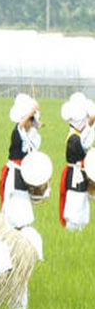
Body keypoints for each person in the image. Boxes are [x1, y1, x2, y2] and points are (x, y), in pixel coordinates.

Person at [0, 93, 41, 229]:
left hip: (23, 175)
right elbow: (21, 127)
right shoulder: (17, 132)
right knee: (15, 205)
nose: (31, 123)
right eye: (30, 120)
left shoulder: (28, 135)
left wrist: (35, 119)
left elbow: (33, 145)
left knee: (23, 204)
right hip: (15, 175)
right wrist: (31, 112)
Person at [59, 92, 95, 230]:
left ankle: (78, 230)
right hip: (75, 175)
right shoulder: (73, 138)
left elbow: (87, 140)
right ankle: (72, 230)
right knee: (75, 203)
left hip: (79, 174)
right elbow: (84, 143)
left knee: (81, 203)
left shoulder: (77, 136)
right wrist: (91, 125)